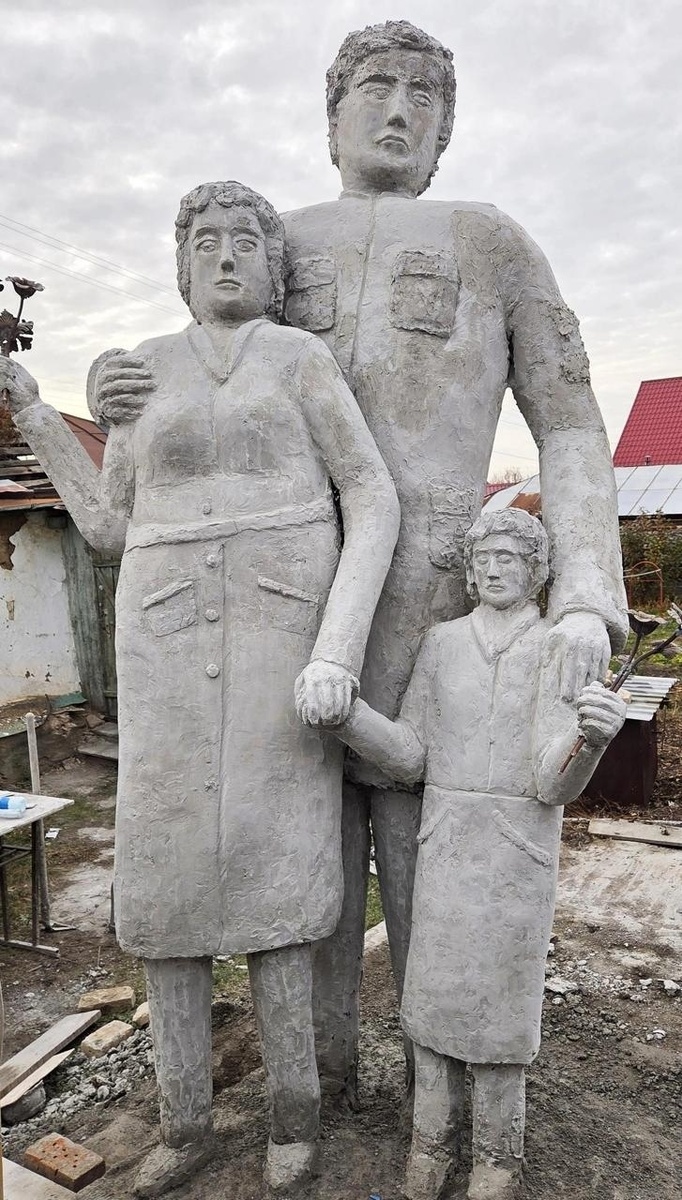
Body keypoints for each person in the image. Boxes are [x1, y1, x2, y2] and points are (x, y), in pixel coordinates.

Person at [90, 20, 628, 1104]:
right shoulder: (270, 239)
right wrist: (117, 387)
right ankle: (317, 1086)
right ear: (330, 112)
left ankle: (449, 1093)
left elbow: (570, 426)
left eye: (426, 95)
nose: (399, 109)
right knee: (298, 872)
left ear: (448, 128)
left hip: (448, 620)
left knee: (452, 869)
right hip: (282, 626)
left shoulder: (492, 243)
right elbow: (200, 366)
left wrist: (583, 598)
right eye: (376, 86)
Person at [0, 180, 399, 1197]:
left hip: (282, 645)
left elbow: (371, 496)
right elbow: (106, 525)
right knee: (166, 883)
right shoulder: (145, 370)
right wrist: (38, 410)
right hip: (165, 647)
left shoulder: (299, 360)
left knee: (277, 880)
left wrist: (338, 647)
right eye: (206, 243)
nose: (225, 257)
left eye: (246, 243)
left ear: (274, 266)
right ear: (180, 267)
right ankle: (182, 1121)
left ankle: (294, 1118)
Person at [324, 508, 627, 1200]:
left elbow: (553, 782)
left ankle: (497, 1153)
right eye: (483, 558)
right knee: (434, 1002)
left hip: (518, 852)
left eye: (509, 558)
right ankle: (430, 1141)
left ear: (537, 571)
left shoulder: (555, 647)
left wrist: (591, 739)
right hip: (446, 845)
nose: (493, 570)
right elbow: (412, 755)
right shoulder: (441, 644)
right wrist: (351, 719)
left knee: (501, 1009)